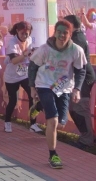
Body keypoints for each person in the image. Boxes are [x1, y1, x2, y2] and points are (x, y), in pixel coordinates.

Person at [29, 19, 87, 169]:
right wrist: (32, 88)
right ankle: (52, 154)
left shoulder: (76, 50)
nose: (62, 35)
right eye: (59, 32)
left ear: (70, 34)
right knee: (53, 121)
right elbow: (33, 66)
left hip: (64, 87)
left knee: (61, 123)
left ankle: (39, 105)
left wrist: (77, 89)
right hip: (45, 85)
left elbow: (81, 70)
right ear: (54, 32)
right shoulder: (44, 49)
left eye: (65, 33)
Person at [2, 21, 42, 133]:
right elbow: (14, 60)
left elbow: (30, 54)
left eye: (27, 34)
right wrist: (25, 54)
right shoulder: (12, 42)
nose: (24, 36)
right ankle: (7, 122)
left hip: (24, 74)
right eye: (22, 33)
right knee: (13, 100)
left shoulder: (29, 40)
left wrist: (33, 53)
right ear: (17, 32)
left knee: (33, 96)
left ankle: (33, 124)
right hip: (12, 76)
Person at [64, 15, 95, 150]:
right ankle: (86, 136)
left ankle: (87, 139)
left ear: (71, 25)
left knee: (80, 109)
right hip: (78, 78)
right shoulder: (77, 36)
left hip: (83, 78)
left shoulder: (77, 38)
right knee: (73, 109)